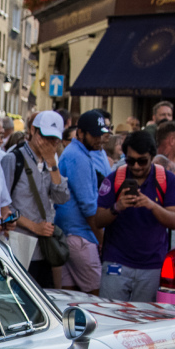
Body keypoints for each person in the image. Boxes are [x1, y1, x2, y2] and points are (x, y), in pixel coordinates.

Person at [92, 130, 175, 302]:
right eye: (130, 161)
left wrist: (152, 205)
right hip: (116, 261)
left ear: (152, 157)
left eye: (142, 161)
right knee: (112, 316)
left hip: (152, 264)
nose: (136, 166)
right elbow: (98, 220)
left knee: (145, 322)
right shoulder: (114, 179)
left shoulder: (167, 180)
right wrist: (117, 207)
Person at [1, 110, 68, 287]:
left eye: (54, 139)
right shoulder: (13, 159)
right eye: (45, 136)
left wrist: (52, 165)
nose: (49, 143)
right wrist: (33, 227)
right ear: (33, 131)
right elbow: (3, 207)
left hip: (44, 247)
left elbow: (61, 198)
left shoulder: (51, 161)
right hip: (20, 244)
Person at [54, 110, 110, 294]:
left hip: (70, 234)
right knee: (97, 295)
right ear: (80, 133)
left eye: (101, 134)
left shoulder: (75, 153)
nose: (99, 139)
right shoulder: (78, 157)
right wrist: (103, 241)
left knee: (69, 297)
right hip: (80, 236)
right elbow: (88, 206)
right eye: (95, 135)